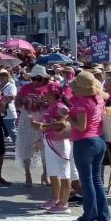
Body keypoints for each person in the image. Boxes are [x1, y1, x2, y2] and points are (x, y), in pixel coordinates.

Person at [67, 72, 109, 221]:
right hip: (98, 140)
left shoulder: (82, 103)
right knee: (97, 180)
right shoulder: (98, 98)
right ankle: (103, 216)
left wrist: (67, 116)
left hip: (84, 142)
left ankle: (89, 216)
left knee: (87, 181)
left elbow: (81, 127)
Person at [33, 83, 73, 213]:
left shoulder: (60, 106)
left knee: (64, 174)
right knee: (54, 173)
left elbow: (62, 123)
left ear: (53, 94)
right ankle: (56, 199)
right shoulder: (52, 106)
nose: (43, 94)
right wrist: (41, 134)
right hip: (50, 142)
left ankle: (64, 203)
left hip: (59, 144)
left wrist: (43, 126)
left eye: (46, 92)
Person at [15, 66, 48, 187]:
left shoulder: (47, 89)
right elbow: (17, 103)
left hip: (42, 118)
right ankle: (27, 173)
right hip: (27, 119)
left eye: (38, 78)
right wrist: (24, 103)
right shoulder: (25, 88)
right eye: (34, 78)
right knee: (26, 147)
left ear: (43, 79)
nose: (35, 80)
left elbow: (52, 104)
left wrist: (42, 104)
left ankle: (45, 174)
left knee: (45, 146)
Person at [0, 70, 18, 145]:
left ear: (7, 76)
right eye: (0, 75)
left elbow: (13, 97)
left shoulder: (11, 85)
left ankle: (19, 146)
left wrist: (1, 97)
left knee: (11, 130)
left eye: (3, 75)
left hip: (8, 110)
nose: (1, 77)